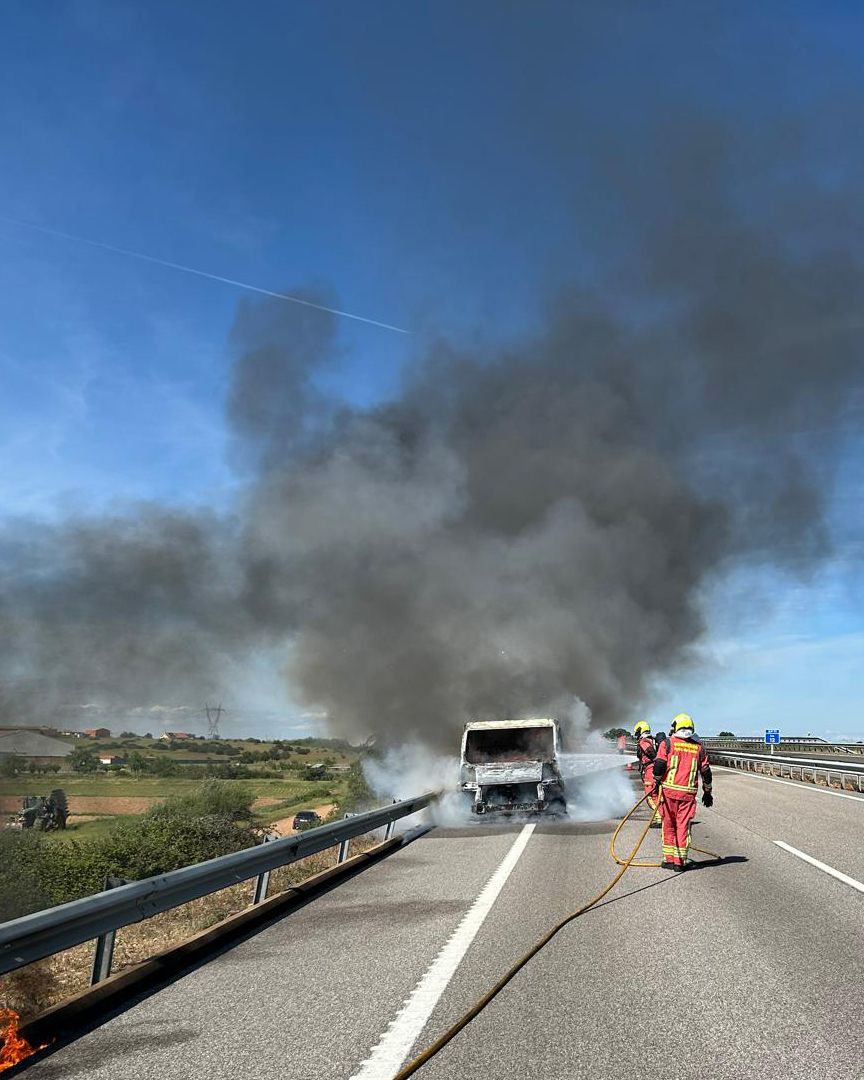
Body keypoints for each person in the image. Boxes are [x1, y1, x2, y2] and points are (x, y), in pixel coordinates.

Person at [652, 712, 713, 871]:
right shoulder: (699, 747)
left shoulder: (668, 743)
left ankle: (669, 859)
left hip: (669, 792)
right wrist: (707, 792)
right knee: (683, 826)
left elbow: (659, 765)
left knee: (669, 824)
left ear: (674, 727)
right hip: (688, 794)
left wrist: (656, 782)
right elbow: (706, 772)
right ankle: (679, 862)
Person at [633, 721, 660, 821]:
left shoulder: (644, 742)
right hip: (653, 769)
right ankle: (661, 815)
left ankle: (659, 816)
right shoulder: (651, 740)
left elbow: (652, 754)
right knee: (656, 794)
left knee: (650, 795)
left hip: (650, 769)